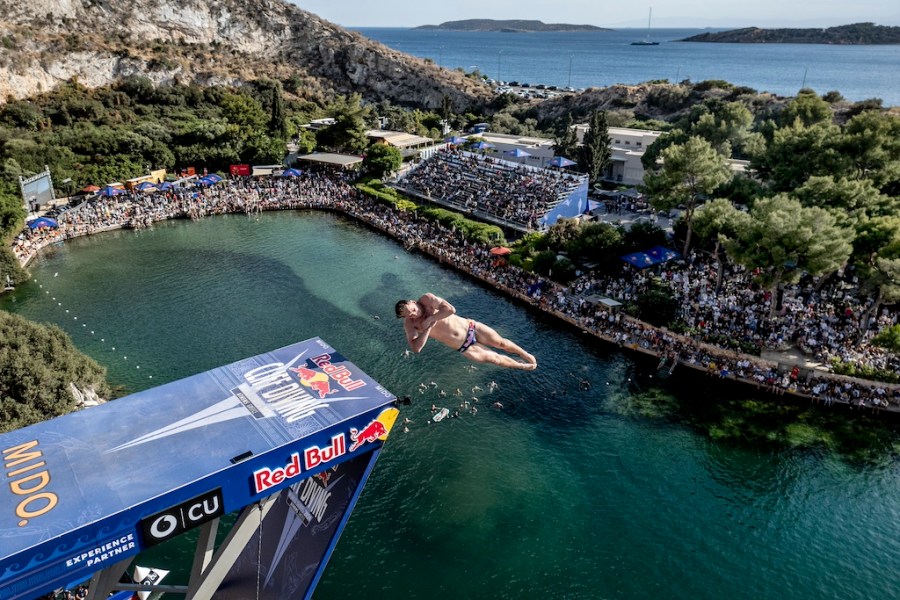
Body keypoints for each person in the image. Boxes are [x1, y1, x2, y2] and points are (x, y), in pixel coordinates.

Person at [395, 293, 537, 370]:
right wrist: (427, 329)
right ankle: (521, 365)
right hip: (464, 346)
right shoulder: (410, 324)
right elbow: (416, 348)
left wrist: (432, 318)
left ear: (413, 302)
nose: (414, 314)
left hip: (470, 327)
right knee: (495, 359)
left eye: (413, 310)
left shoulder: (427, 299)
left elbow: (450, 309)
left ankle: (524, 354)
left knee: (501, 343)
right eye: (410, 315)